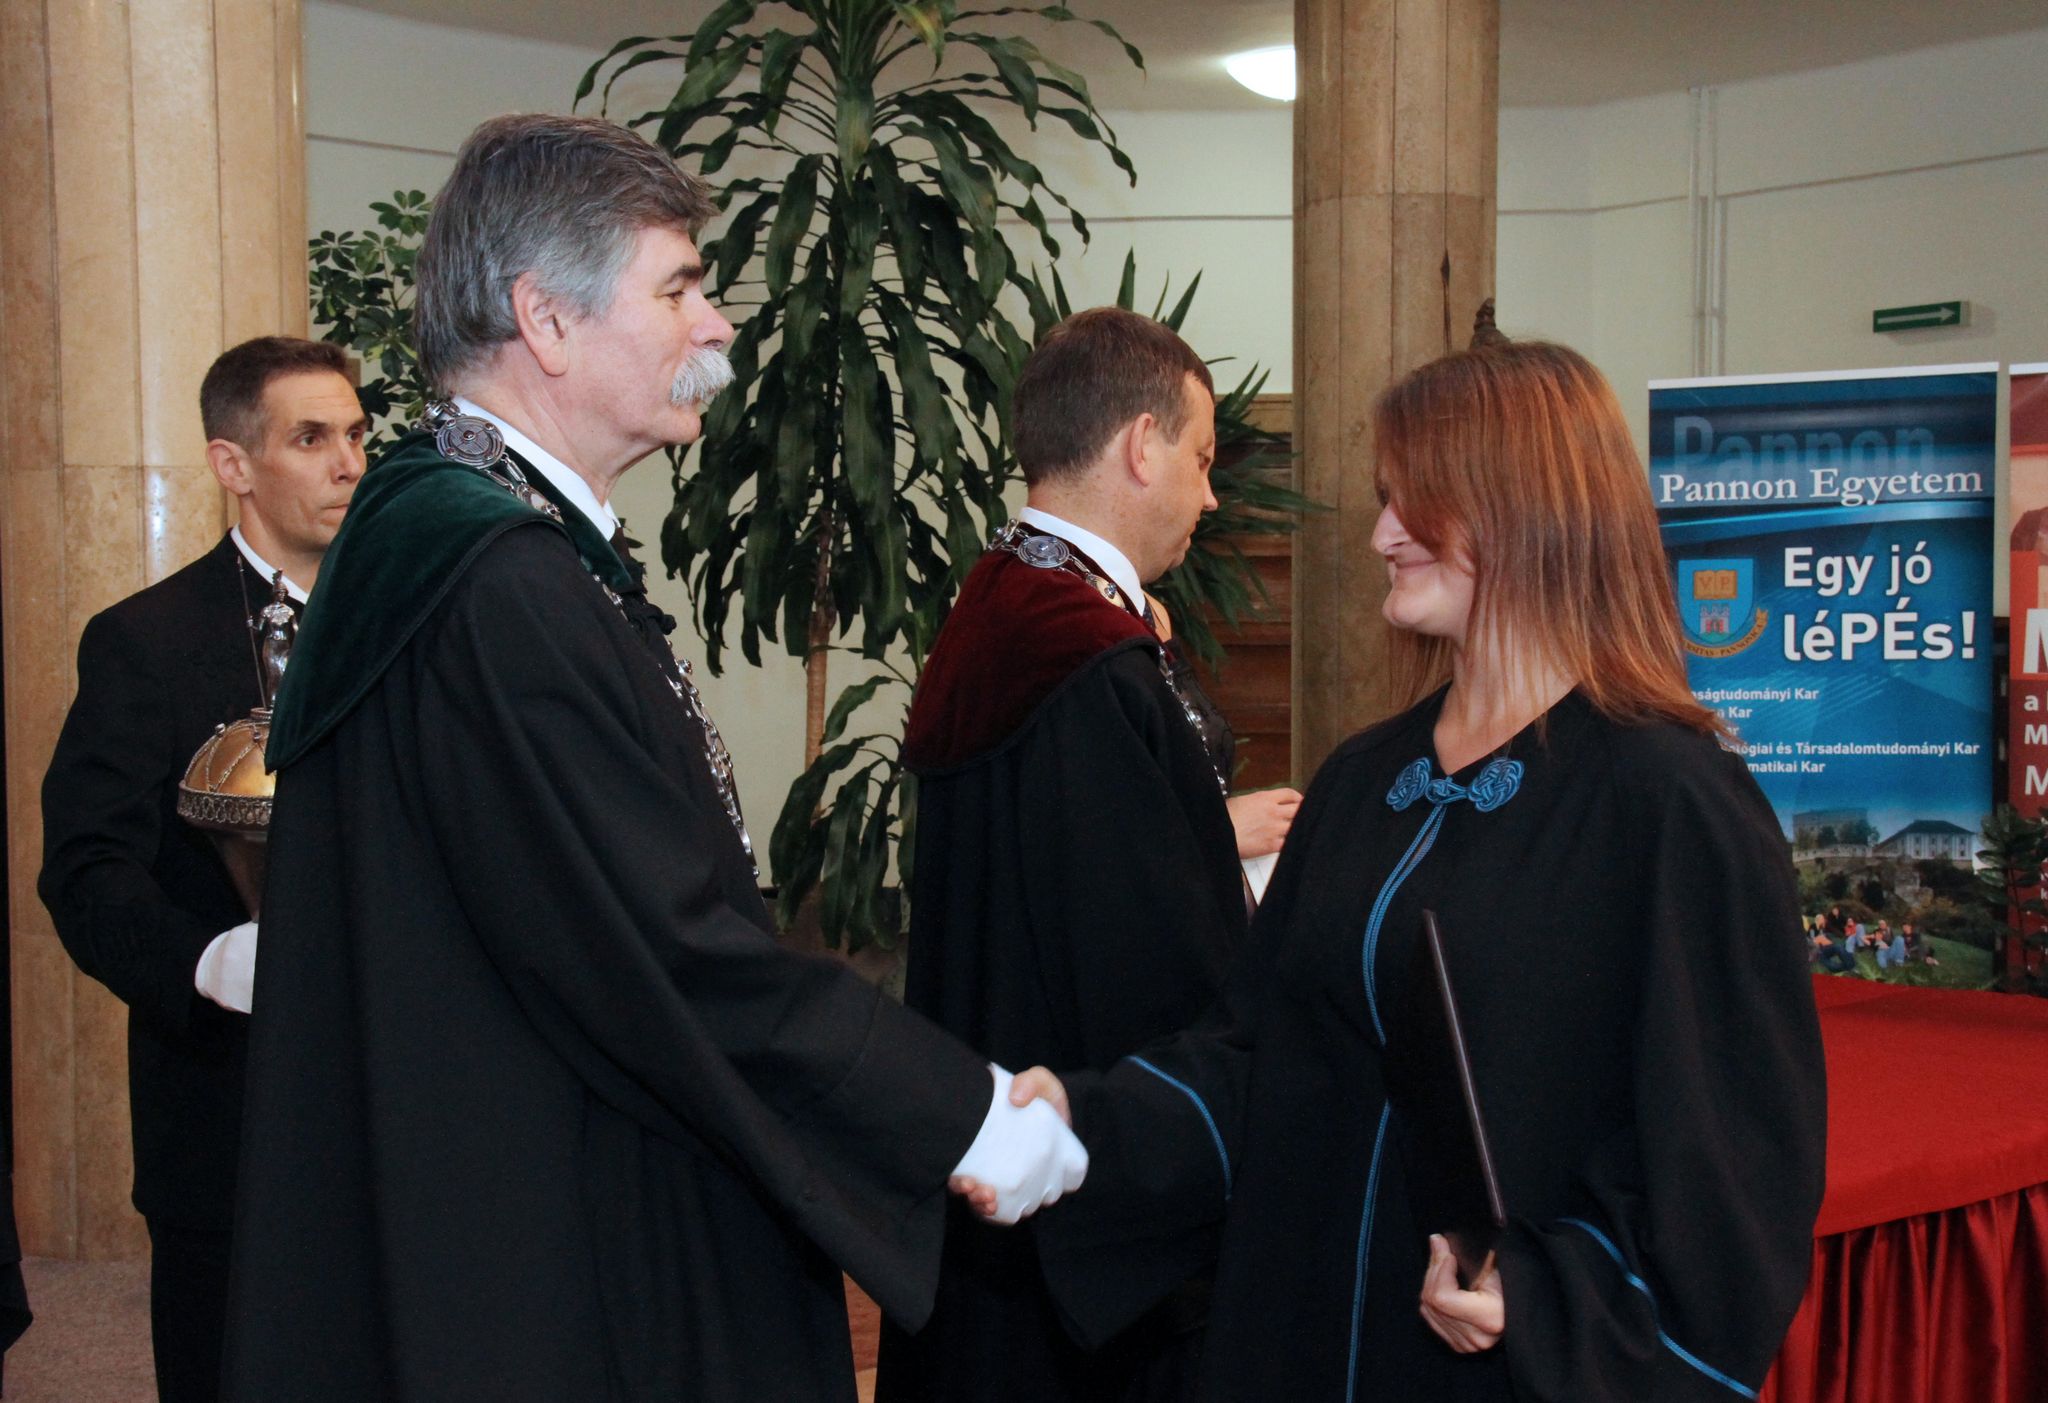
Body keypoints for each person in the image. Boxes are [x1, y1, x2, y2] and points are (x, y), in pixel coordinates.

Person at [220, 113, 1085, 1403]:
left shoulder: (468, 532)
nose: (717, 322)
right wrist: (956, 1111)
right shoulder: (494, 578)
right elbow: (660, 942)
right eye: (678, 287)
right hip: (553, 1227)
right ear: (546, 320)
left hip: (510, 1164)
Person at [989, 341, 1827, 1400]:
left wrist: (1547, 1291)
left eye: (1413, 505)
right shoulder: (1362, 777)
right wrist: (1088, 1115)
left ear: (1524, 511)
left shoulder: (1672, 801)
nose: (1382, 535)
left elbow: (1733, 1160)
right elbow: (1258, 1054)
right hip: (1291, 1350)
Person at [880, 308, 1297, 1403]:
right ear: (1141, 444)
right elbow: (1148, 971)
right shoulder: (1086, 656)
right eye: (1202, 459)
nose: (1211, 497)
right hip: (1078, 1211)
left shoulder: (1002, 600)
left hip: (991, 1139)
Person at [37, 336, 367, 1403]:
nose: (348, 462)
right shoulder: (144, 640)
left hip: (396, 1090)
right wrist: (218, 960)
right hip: (227, 1105)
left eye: (356, 433)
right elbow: (86, 871)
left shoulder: (410, 621)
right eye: (310, 438)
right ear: (233, 464)